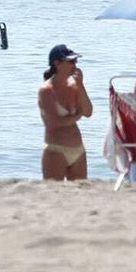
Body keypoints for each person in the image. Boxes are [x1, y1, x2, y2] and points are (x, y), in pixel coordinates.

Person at [39, 44, 93, 180]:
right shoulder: (46, 90)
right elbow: (53, 123)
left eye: (75, 61)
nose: (75, 65)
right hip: (56, 149)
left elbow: (88, 112)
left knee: (80, 194)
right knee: (54, 194)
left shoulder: (74, 86)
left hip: (78, 150)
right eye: (71, 61)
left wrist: (81, 85)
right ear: (57, 64)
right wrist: (76, 116)